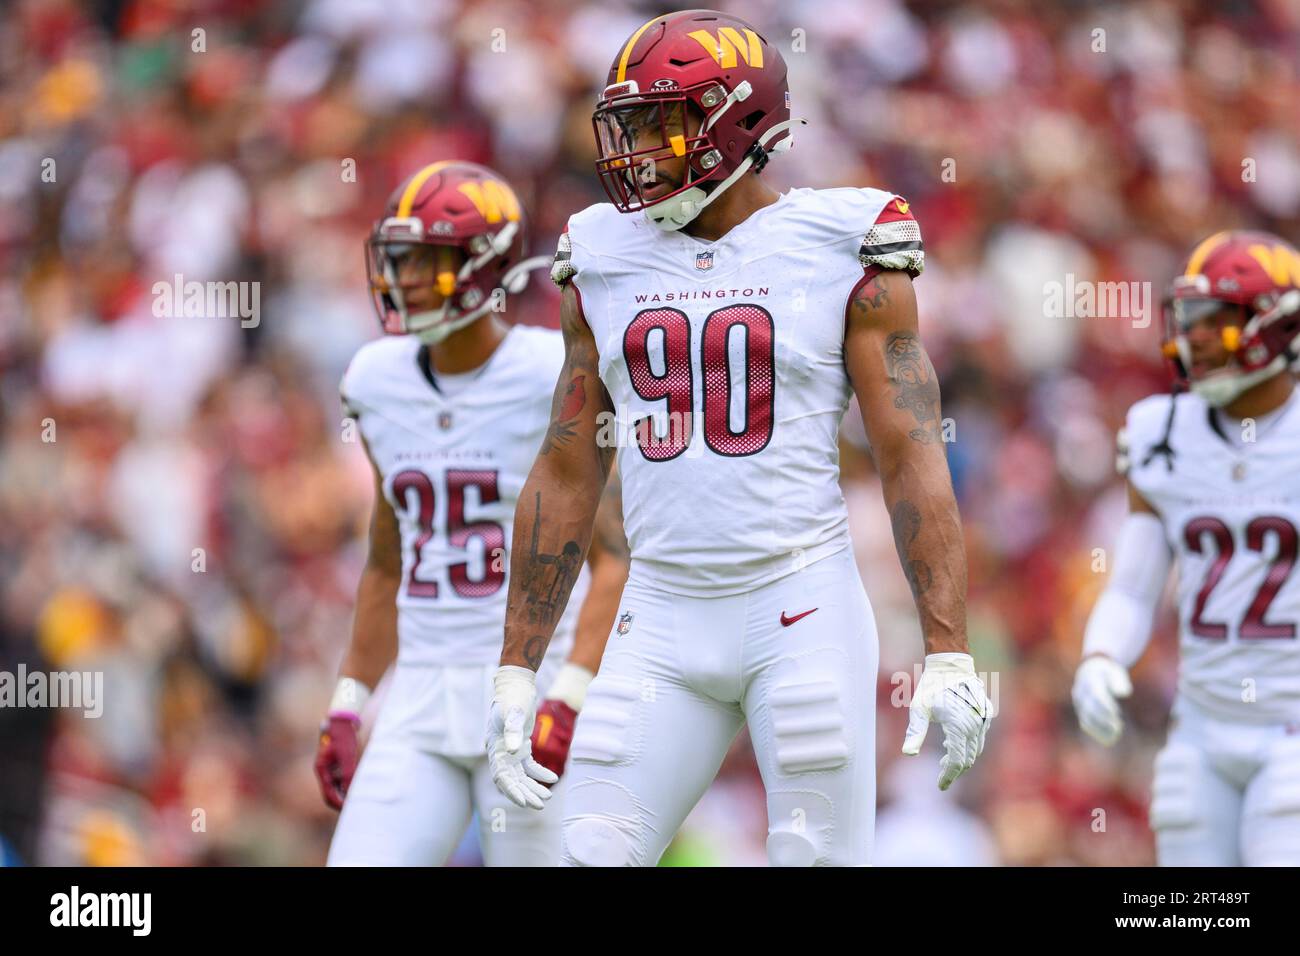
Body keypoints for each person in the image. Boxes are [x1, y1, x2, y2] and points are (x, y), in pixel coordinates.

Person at [485, 10, 991, 867]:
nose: (635, 151)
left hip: (800, 604)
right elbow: (569, 463)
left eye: (660, 124)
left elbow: (909, 452)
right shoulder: (601, 255)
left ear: (736, 122)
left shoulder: (842, 243)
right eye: (629, 125)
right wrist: (514, 666)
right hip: (660, 614)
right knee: (583, 858)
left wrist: (948, 650)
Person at [315, 160, 628, 866]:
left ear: (486, 269)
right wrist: (348, 701)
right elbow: (387, 561)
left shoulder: (551, 370)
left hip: (528, 688)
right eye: (401, 257)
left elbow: (613, 557)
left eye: (429, 259)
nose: (406, 277)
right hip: (420, 694)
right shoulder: (374, 380)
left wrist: (571, 695)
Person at [1074, 230, 1300, 866]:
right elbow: (1132, 586)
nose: (1193, 336)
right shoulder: (1161, 430)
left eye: (1215, 318)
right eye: (1189, 317)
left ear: (1276, 324)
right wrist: (1100, 655)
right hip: (1199, 729)